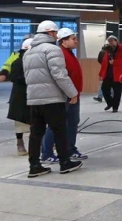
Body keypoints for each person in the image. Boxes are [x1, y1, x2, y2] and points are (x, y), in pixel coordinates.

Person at [23, 20, 82, 177]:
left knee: (35, 134)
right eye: (55, 33)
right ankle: (65, 163)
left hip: (34, 100)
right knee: (60, 131)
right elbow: (60, 75)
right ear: (50, 33)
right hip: (52, 99)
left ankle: (34, 166)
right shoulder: (52, 50)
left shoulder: (28, 52)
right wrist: (72, 93)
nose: (56, 36)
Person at [41, 28, 86, 162]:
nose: (76, 41)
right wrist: (70, 93)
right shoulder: (60, 54)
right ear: (64, 41)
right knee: (56, 125)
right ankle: (47, 153)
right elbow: (61, 77)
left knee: (72, 123)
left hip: (74, 95)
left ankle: (69, 149)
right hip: (64, 96)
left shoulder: (70, 53)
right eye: (73, 39)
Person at [0, 38, 33, 156]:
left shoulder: (35, 58)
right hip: (20, 94)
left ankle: (36, 143)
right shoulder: (16, 58)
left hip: (30, 93)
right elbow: (7, 68)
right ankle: (20, 143)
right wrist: (3, 73)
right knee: (20, 120)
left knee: (35, 120)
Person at [99, 35, 122, 112]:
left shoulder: (121, 49)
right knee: (104, 88)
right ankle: (110, 103)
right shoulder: (108, 50)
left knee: (117, 92)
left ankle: (115, 107)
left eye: (112, 40)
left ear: (116, 41)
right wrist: (101, 74)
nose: (111, 42)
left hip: (118, 74)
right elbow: (104, 63)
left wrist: (115, 62)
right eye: (109, 41)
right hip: (108, 74)